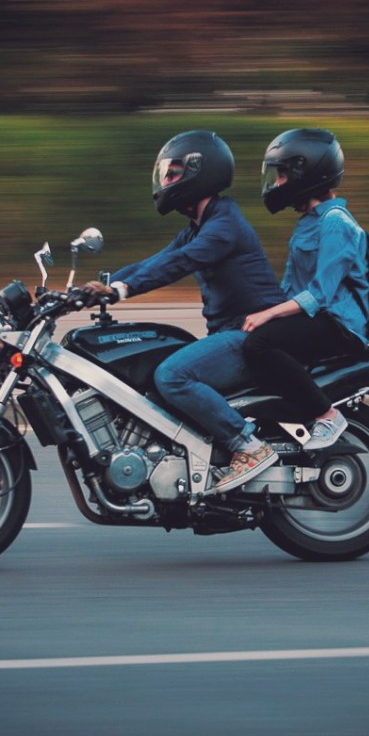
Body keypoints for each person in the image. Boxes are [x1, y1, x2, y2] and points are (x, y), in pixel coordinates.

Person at [82, 130, 285, 493]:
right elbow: (157, 260)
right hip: (230, 334)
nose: (166, 181)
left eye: (174, 173)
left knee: (173, 374)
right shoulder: (200, 226)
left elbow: (179, 263)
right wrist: (92, 289)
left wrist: (121, 290)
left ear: (200, 172)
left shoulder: (224, 226)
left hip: (251, 335)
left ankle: (248, 446)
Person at [240, 128, 369, 452]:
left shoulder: (336, 223)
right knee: (249, 337)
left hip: (339, 323)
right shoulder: (309, 222)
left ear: (305, 172)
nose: (277, 183)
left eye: (282, 174)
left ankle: (327, 415)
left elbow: (320, 294)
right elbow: (290, 288)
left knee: (260, 344)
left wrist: (269, 314)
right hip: (318, 318)